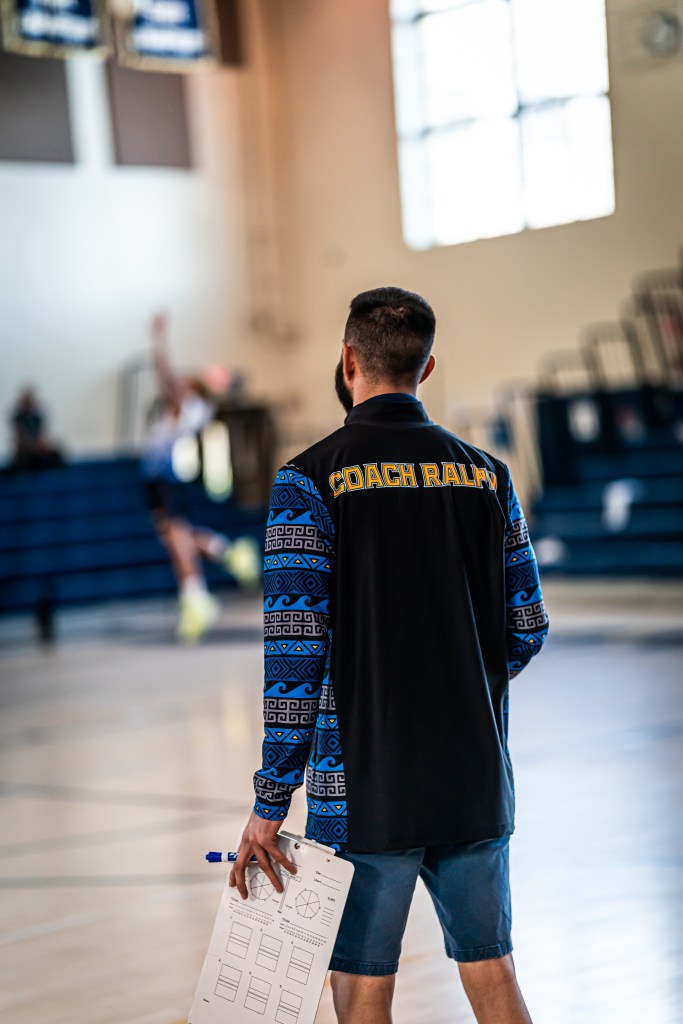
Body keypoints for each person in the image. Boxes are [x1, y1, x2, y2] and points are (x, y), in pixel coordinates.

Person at [230, 287, 549, 1024]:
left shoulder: (308, 481)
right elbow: (527, 626)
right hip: (473, 778)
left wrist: (270, 804)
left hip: (363, 788)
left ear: (348, 360)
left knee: (363, 986)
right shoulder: (488, 475)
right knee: (492, 972)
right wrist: (458, 681)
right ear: (426, 368)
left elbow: (295, 659)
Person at [141, 313, 259, 642]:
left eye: (186, 380)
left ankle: (196, 596)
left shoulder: (186, 404)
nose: (179, 381)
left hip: (160, 478)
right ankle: (228, 554)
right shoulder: (200, 409)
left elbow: (164, 373)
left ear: (191, 389)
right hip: (164, 479)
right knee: (179, 536)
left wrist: (158, 339)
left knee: (175, 539)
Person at [8, 387, 64, 472]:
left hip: (37, 449)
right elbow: (20, 438)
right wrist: (31, 445)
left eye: (30, 401)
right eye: (26, 401)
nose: (29, 404)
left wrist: (41, 445)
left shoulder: (37, 417)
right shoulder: (18, 418)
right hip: (25, 452)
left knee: (56, 453)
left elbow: (42, 435)